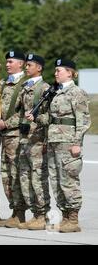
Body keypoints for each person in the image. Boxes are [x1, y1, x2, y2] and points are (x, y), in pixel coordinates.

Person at [47, 59, 91, 233]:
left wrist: (76, 143)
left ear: (70, 73)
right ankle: (64, 216)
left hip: (68, 142)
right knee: (56, 180)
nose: (56, 73)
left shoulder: (76, 93)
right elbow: (53, 119)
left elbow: (83, 120)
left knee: (68, 180)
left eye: (59, 70)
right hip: (53, 141)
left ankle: (73, 219)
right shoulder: (56, 92)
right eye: (56, 70)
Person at [0, 50, 28, 228]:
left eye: (10, 62)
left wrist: (6, 123)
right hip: (5, 137)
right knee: (6, 176)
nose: (7, 65)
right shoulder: (3, 82)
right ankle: (14, 210)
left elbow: (25, 111)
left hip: (17, 135)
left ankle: (20, 212)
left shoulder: (25, 83)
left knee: (16, 175)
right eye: (6, 62)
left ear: (21, 64)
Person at [17, 53, 51, 230]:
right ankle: (34, 213)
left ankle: (42, 214)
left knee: (38, 179)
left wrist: (46, 141)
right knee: (25, 178)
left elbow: (50, 116)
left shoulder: (45, 88)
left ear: (39, 67)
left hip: (38, 140)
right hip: (25, 140)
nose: (26, 67)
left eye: (30, 65)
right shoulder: (24, 87)